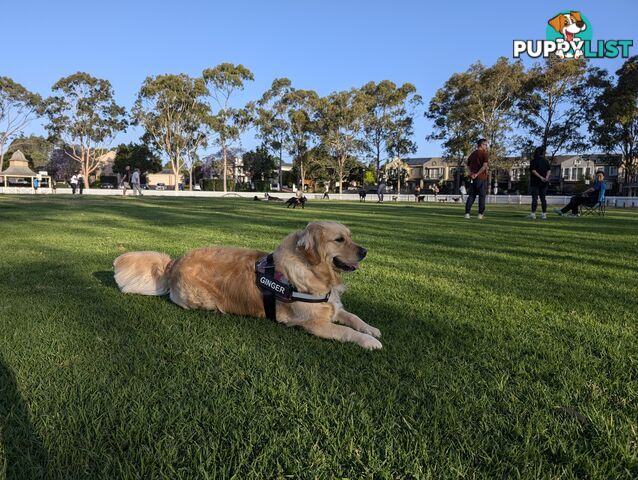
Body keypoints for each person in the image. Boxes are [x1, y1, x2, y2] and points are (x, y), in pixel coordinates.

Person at [464, 138, 489, 219]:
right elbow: (484, 166)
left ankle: (467, 213)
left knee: (471, 196)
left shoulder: (472, 154)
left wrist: (471, 174)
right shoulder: (484, 154)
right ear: (481, 145)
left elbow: (467, 166)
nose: (486, 146)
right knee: (482, 196)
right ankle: (480, 214)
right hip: (481, 178)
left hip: (473, 178)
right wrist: (477, 174)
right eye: (485, 145)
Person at [528, 146, 551, 219]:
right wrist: (546, 178)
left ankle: (533, 214)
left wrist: (541, 177)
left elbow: (533, 171)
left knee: (535, 198)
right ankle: (544, 214)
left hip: (535, 182)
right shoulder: (546, 161)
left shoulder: (533, 161)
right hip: (544, 182)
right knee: (543, 198)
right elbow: (549, 170)